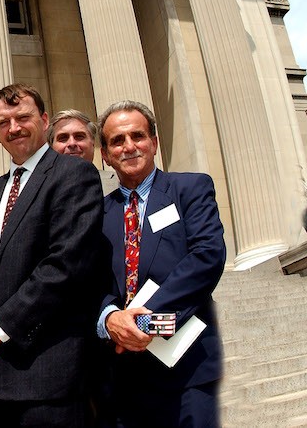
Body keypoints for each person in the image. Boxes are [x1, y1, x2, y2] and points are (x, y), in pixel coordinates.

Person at [0, 83, 106, 427]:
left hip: (47, 376)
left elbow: (65, 266)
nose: (13, 128)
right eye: (2, 122)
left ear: (43, 120)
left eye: (22, 117)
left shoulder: (74, 175)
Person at [96, 100, 225, 428]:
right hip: (123, 377)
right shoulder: (98, 214)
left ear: (153, 142)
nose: (129, 147)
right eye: (117, 141)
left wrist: (141, 322)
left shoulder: (190, 188)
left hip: (186, 367)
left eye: (137, 136)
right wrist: (111, 319)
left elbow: (206, 257)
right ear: (105, 155)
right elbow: (91, 279)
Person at [47, 109, 118, 194]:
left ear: (92, 143)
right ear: (51, 146)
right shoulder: (37, 187)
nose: (72, 143)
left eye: (79, 136)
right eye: (63, 138)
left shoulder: (118, 184)